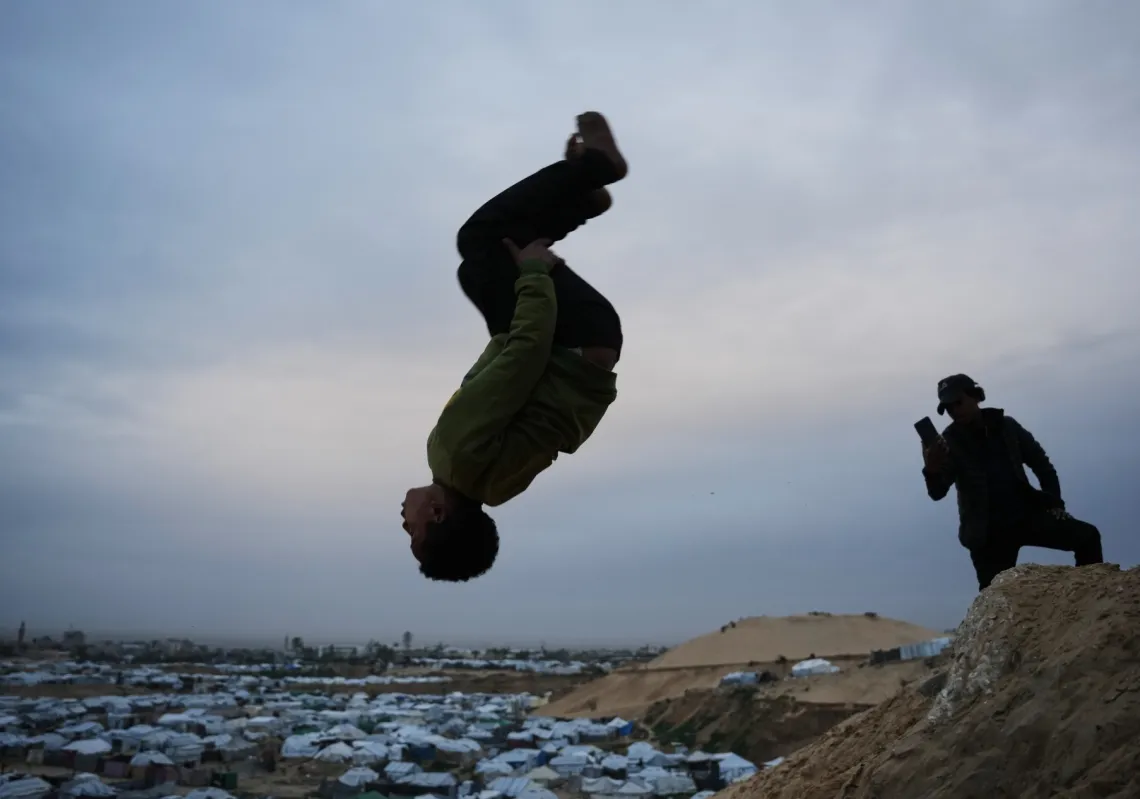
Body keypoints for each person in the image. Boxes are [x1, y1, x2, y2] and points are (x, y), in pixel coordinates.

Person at [401, 111, 628, 583]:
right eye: (413, 534)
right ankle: (596, 169)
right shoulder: (454, 454)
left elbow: (530, 392)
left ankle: (584, 199)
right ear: (438, 515)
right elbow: (523, 359)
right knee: (480, 240)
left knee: (478, 271)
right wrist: (533, 276)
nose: (404, 523)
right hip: (571, 338)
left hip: (591, 347)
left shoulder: (493, 488)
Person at [920, 373, 1104, 590]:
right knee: (994, 599)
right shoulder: (949, 442)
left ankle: (1092, 599)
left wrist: (1055, 504)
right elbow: (937, 492)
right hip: (986, 533)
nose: (954, 411)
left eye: (957, 403)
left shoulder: (1006, 426)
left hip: (1025, 514)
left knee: (1088, 537)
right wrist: (931, 469)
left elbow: (1043, 466)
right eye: (948, 408)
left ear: (976, 396)